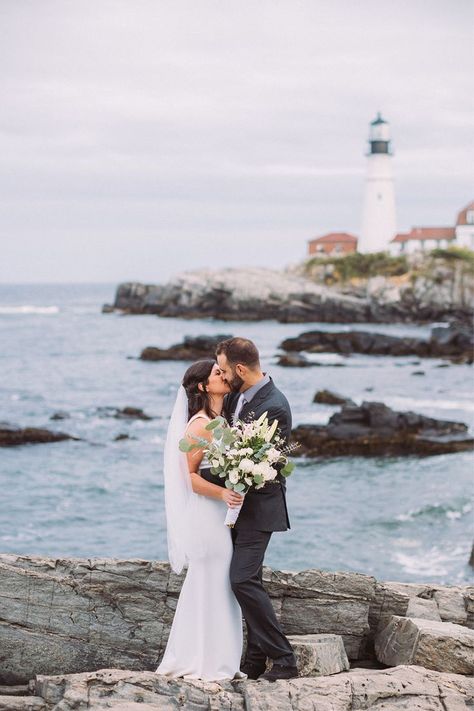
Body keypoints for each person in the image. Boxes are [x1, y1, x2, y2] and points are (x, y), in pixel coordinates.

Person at [156, 359, 246, 681]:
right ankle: (206, 662)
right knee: (212, 582)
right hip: (208, 516)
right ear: (202, 387)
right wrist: (223, 495)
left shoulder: (220, 419)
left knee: (217, 585)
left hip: (220, 514)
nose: (224, 376)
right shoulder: (198, 425)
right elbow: (189, 478)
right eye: (217, 374)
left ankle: (217, 659)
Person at [216, 337, 298, 682]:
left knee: (242, 579)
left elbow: (265, 463)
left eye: (223, 369)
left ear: (239, 369)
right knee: (250, 580)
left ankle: (284, 660)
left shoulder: (275, 405)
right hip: (235, 507)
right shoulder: (236, 395)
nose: (220, 374)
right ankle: (253, 660)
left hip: (259, 509)